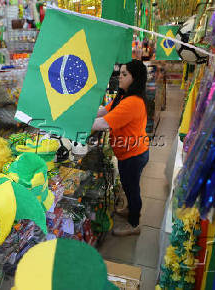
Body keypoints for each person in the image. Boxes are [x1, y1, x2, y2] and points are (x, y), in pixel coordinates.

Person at [92, 59, 149, 236]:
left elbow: (102, 123)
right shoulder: (123, 96)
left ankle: (134, 224)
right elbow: (104, 111)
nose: (120, 78)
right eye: (120, 74)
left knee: (132, 189)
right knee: (128, 185)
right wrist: (83, 110)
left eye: (125, 74)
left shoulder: (132, 102)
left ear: (135, 78)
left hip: (134, 154)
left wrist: (78, 123)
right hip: (128, 153)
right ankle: (131, 211)